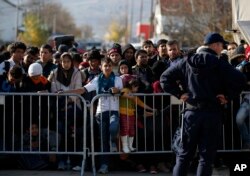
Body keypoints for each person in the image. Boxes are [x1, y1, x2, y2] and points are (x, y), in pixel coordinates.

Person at [160, 32, 246, 176]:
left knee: (184, 156)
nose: (222, 48)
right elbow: (241, 79)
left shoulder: (186, 61)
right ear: (215, 45)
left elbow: (164, 78)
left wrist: (179, 94)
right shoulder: (220, 63)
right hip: (212, 114)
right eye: (221, 45)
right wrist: (227, 96)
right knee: (206, 158)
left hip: (191, 113)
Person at [59, 57, 123, 174]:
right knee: (103, 141)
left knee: (113, 128)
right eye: (105, 66)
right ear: (101, 67)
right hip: (100, 113)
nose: (107, 68)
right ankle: (104, 165)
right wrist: (66, 92)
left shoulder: (118, 79)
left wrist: (117, 91)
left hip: (113, 111)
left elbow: (121, 91)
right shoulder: (97, 79)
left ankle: (113, 141)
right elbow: (83, 90)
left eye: (109, 66)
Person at [119, 77, 154, 153]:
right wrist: (130, 96)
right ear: (132, 86)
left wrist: (151, 109)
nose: (137, 89)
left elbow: (140, 103)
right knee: (125, 129)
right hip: (123, 113)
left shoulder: (133, 94)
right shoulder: (126, 90)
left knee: (131, 130)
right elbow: (121, 93)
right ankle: (125, 147)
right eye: (136, 87)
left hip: (131, 114)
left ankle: (130, 146)